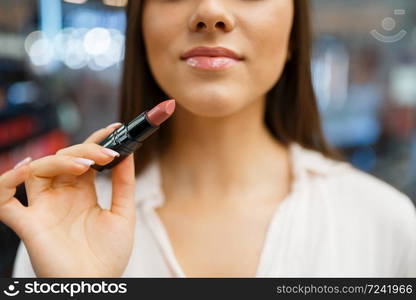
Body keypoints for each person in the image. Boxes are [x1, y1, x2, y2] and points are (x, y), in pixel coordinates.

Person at [2, 0, 415, 277]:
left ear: (293, 32)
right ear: (140, 24)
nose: (211, 12)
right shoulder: (64, 231)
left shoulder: (386, 223)